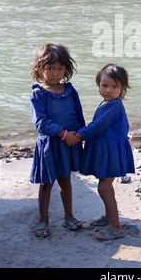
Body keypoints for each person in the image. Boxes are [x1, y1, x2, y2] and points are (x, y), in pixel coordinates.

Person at [30, 43, 85, 237]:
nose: (55, 73)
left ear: (66, 69)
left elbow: (78, 116)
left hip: (69, 143)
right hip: (50, 144)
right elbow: (41, 122)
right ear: (40, 69)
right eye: (50, 69)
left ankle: (69, 217)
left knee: (65, 180)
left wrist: (80, 135)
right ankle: (43, 220)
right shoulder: (38, 94)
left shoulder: (70, 91)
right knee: (46, 183)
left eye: (60, 69)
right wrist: (62, 133)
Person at [75, 64, 135, 241]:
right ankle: (109, 217)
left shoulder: (114, 105)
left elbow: (97, 126)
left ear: (122, 88)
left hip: (111, 152)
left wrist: (79, 135)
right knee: (107, 186)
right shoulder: (107, 102)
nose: (108, 90)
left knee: (103, 188)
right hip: (106, 149)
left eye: (114, 86)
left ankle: (116, 228)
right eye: (104, 85)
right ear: (98, 85)